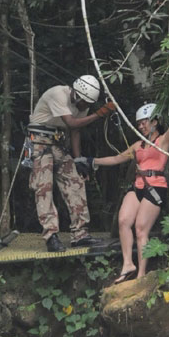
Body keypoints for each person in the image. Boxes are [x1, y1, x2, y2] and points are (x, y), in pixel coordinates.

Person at [85, 104, 169, 282]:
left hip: (155, 186)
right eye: (139, 124)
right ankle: (128, 264)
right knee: (123, 220)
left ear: (154, 121)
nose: (141, 126)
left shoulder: (163, 141)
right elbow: (116, 159)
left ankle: (141, 275)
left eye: (144, 122)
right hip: (138, 185)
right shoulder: (138, 145)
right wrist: (91, 161)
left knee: (140, 229)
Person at [27, 75, 115, 252]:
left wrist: (78, 159)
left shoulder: (82, 105)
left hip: (58, 143)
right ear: (78, 95)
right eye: (85, 103)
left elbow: (75, 130)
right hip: (40, 142)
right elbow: (71, 121)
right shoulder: (58, 94)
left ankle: (80, 234)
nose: (85, 107)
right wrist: (100, 114)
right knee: (44, 188)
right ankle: (51, 235)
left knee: (75, 182)